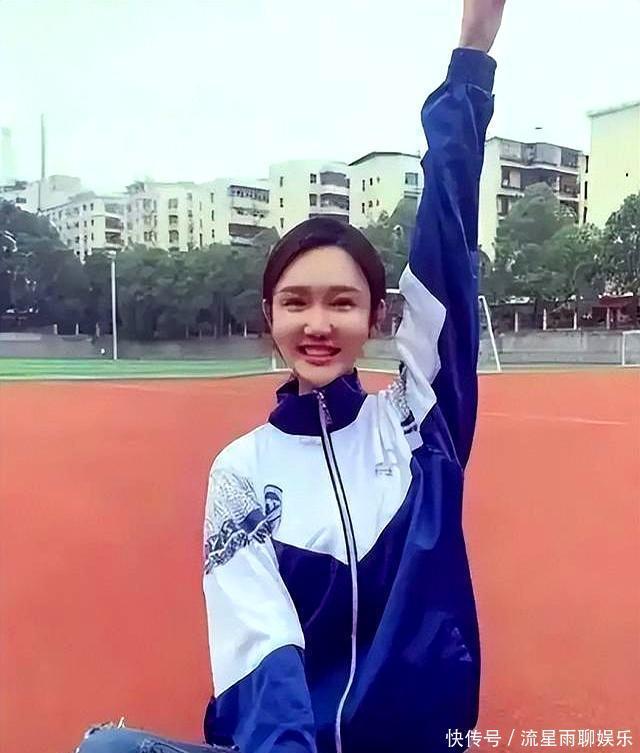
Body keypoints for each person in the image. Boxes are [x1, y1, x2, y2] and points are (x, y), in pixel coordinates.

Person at [77, 1, 505, 752]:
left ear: (377, 316)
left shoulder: (418, 428)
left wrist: (471, 55)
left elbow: (446, 237)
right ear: (268, 316)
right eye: (296, 302)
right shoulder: (242, 471)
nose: (318, 323)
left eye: (342, 301)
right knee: (104, 748)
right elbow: (260, 642)